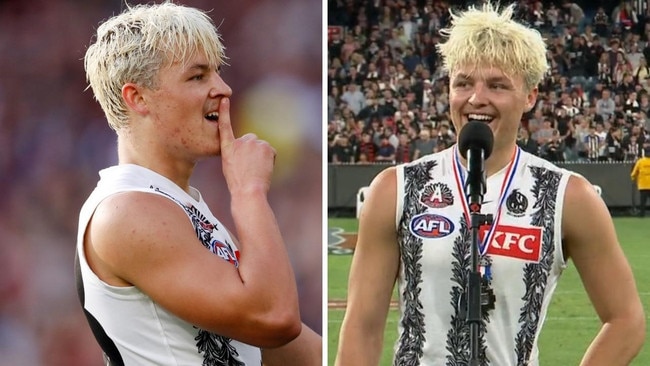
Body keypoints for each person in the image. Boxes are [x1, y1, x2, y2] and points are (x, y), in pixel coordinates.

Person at [335, 3, 645, 365]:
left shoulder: (568, 196)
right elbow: (362, 325)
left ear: (530, 96)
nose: (476, 98)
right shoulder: (396, 188)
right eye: (463, 82)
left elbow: (626, 320)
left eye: (497, 85)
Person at [74, 3, 321, 365]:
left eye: (217, 73)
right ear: (137, 97)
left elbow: (297, 352)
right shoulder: (127, 210)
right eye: (197, 76)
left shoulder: (179, 206)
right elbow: (274, 319)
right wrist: (249, 190)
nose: (224, 89)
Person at [631, 148, 650, 217]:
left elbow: (634, 173)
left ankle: (642, 215)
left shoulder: (640, 161)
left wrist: (633, 177)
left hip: (643, 185)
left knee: (643, 202)